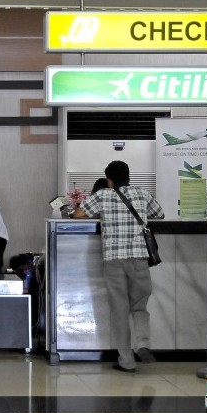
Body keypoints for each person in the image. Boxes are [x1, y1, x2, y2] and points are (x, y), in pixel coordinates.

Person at [73, 160, 164, 373]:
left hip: (114, 259)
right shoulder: (142, 193)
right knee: (140, 305)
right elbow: (159, 214)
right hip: (140, 258)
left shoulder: (103, 195)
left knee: (120, 310)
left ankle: (127, 360)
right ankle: (142, 344)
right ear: (129, 176)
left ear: (109, 179)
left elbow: (78, 215)